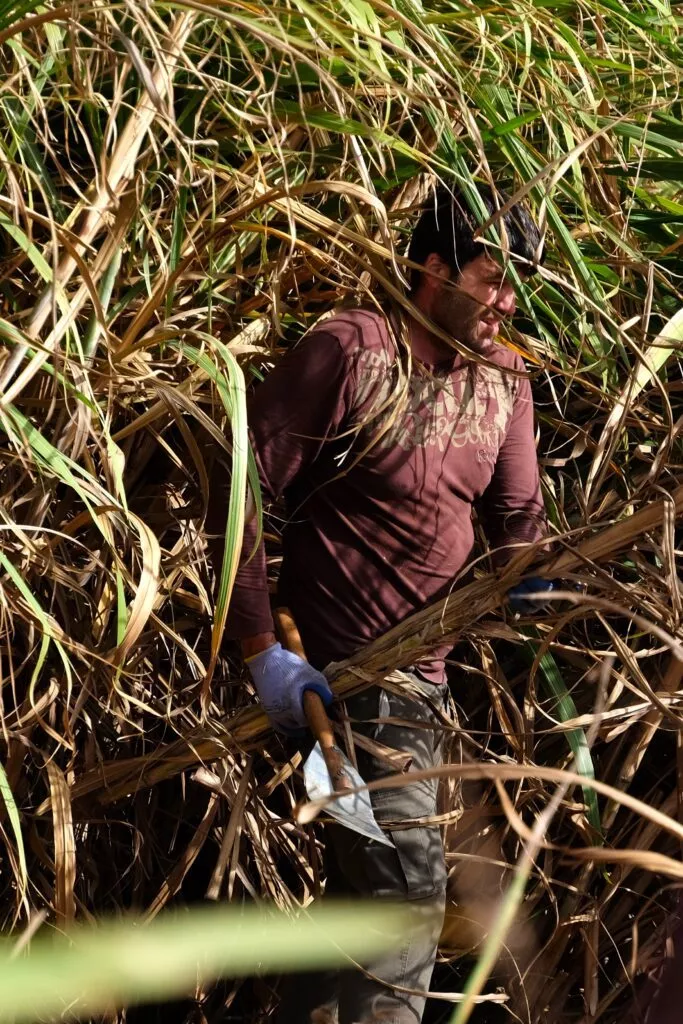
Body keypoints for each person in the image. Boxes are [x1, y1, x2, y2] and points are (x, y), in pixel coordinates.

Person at [217, 182, 549, 1023]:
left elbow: (516, 517)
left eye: (519, 284)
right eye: (491, 277)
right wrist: (262, 651)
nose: (505, 303)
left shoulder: (504, 380)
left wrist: (531, 577)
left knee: (354, 911)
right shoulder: (353, 350)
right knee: (404, 907)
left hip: (421, 685)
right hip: (336, 682)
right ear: (431, 266)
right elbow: (242, 491)